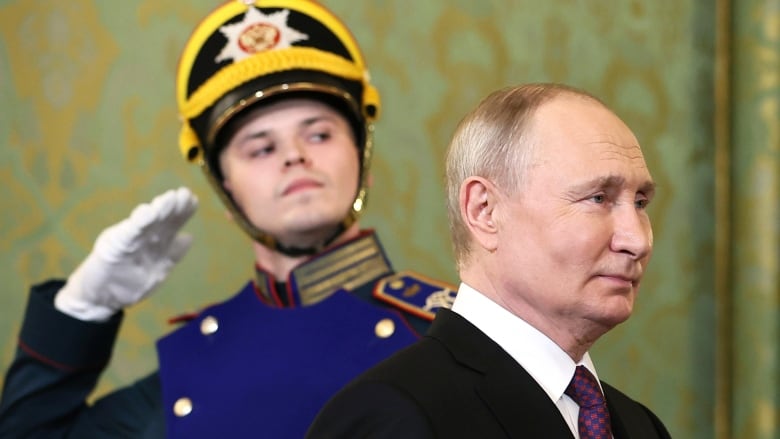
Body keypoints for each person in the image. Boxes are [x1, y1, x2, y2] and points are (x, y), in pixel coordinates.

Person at [0, 1, 455, 438]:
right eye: (261, 147)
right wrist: (82, 311)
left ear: (361, 155)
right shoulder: (197, 362)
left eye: (318, 133)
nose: (295, 156)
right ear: (225, 188)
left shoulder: (449, 333)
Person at [306, 83, 673, 438]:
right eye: (598, 199)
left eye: (640, 203)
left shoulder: (638, 425)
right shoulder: (392, 415)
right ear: (485, 211)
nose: (637, 240)